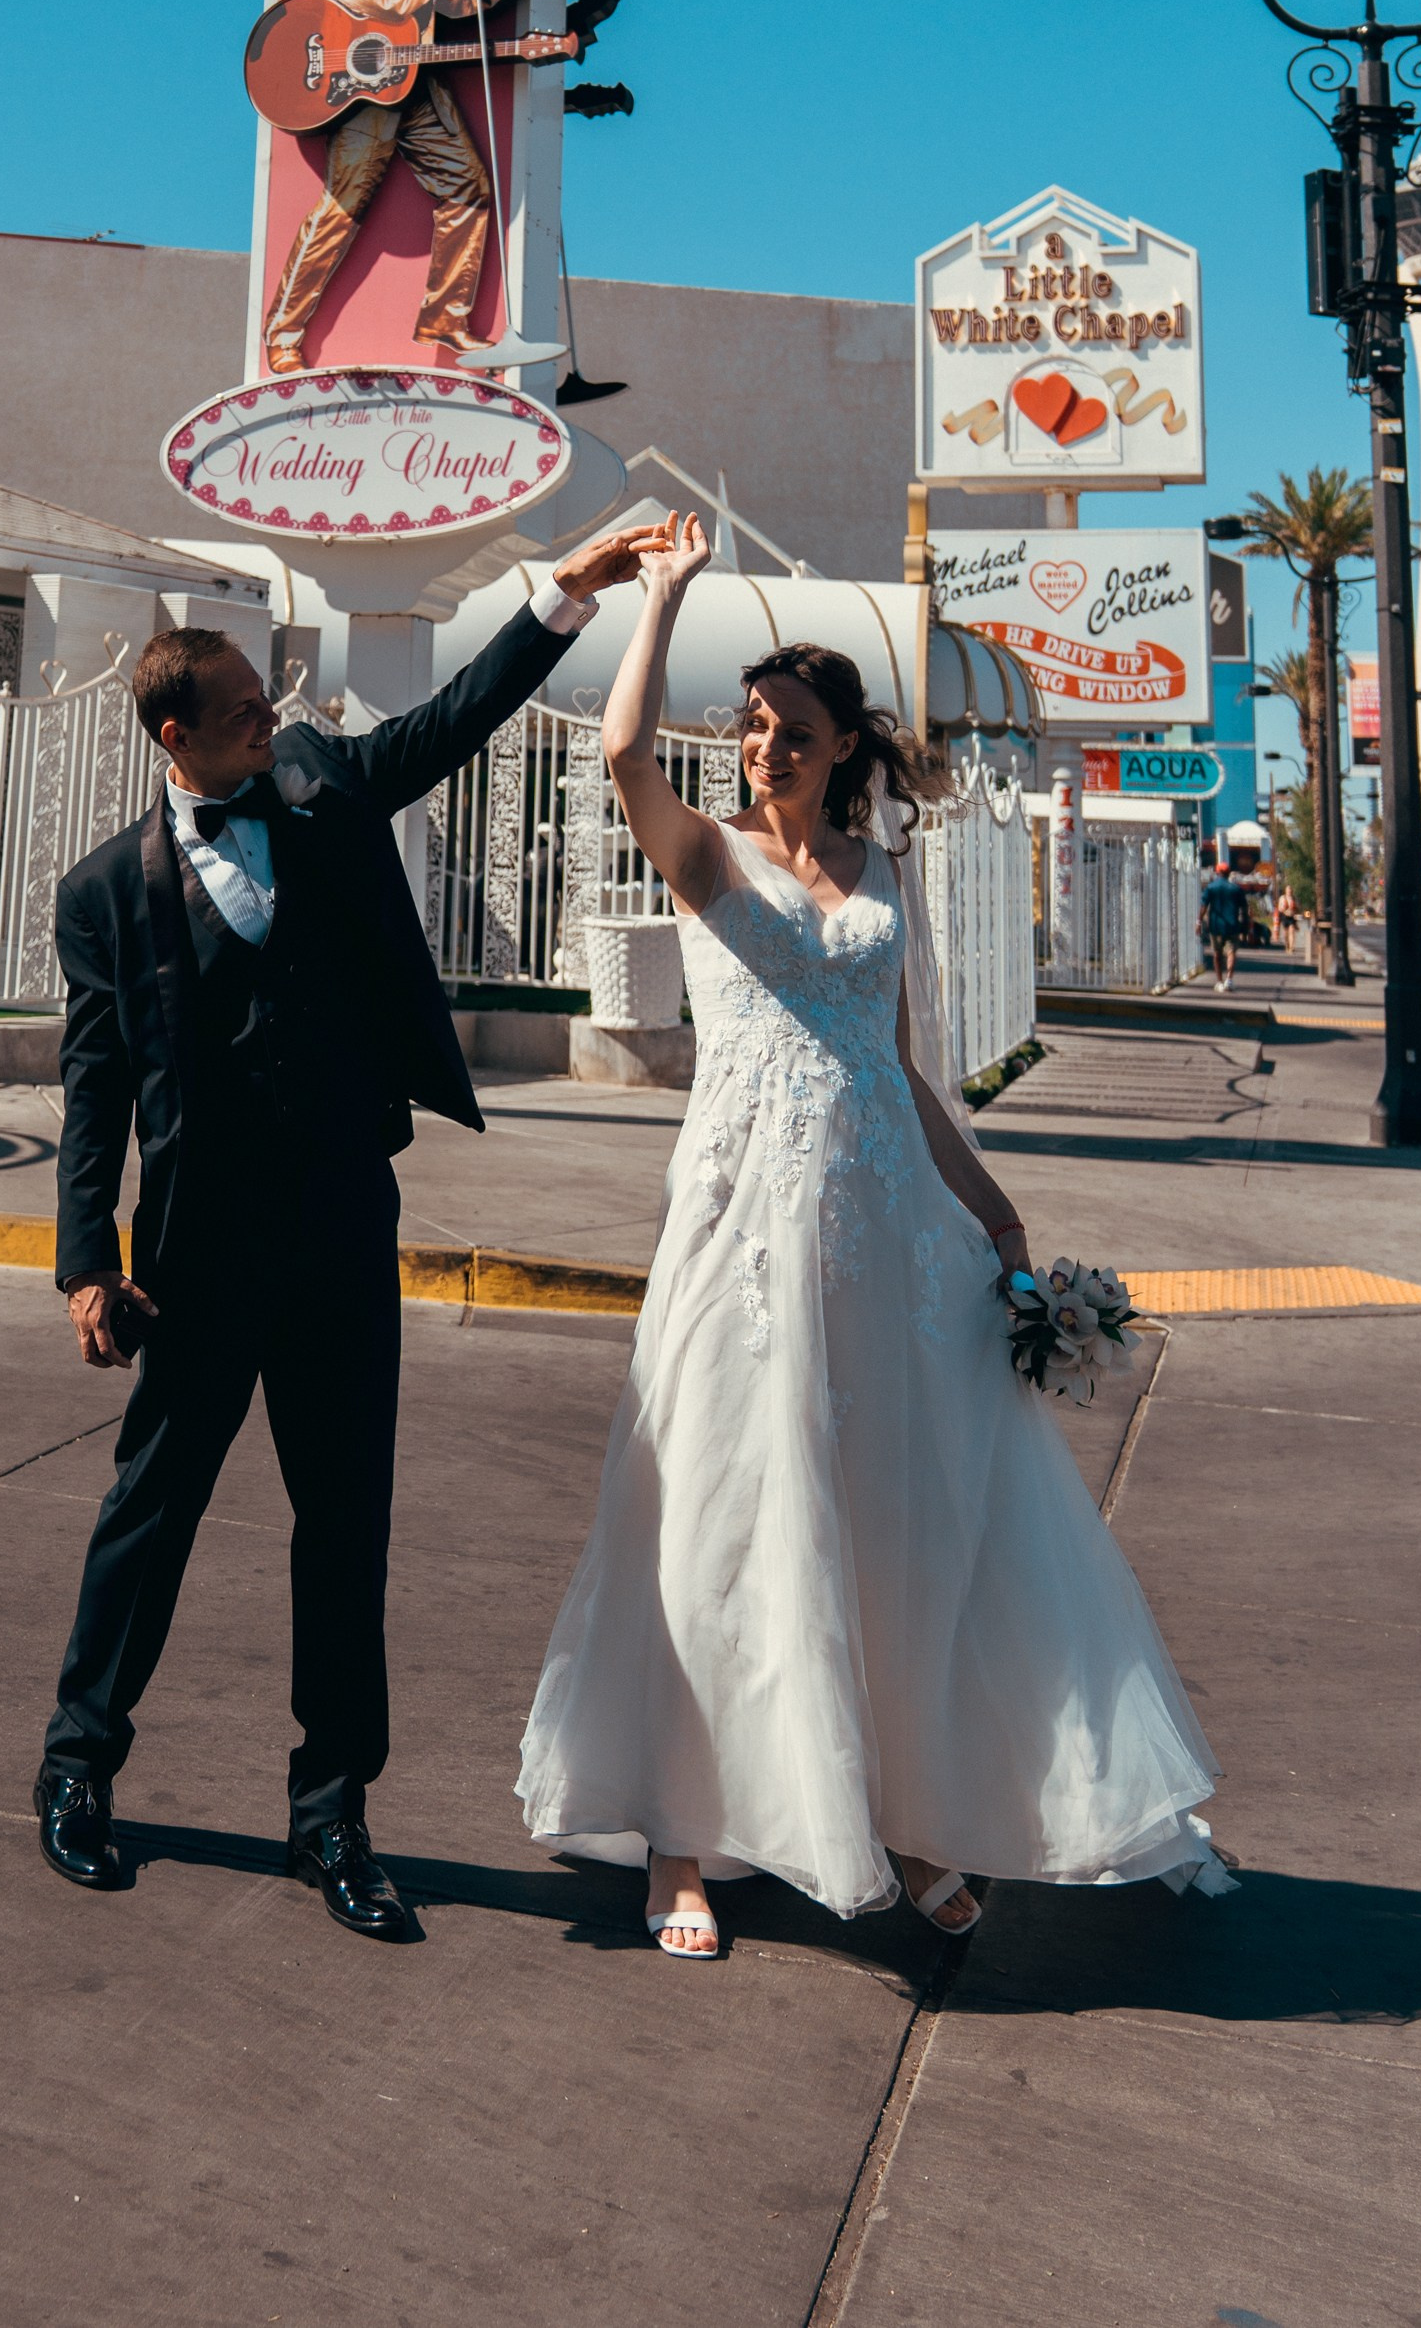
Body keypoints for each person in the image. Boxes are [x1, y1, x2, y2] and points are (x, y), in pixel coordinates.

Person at [518, 515, 1232, 1956]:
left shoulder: (884, 876)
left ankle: (903, 1822)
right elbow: (619, 758)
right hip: (744, 1238)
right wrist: (661, 602)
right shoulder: (709, 857)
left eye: (789, 728)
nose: (763, 746)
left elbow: (898, 1069)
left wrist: (996, 1209)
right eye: (752, 726)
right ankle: (681, 1841)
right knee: (717, 1523)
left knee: (895, 1535)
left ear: (847, 743)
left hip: (888, 1244)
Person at [34, 519, 672, 1938]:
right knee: (152, 1514)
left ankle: (333, 1816)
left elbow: (449, 722)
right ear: (171, 731)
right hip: (196, 1252)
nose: (278, 721)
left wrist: (564, 595)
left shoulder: (321, 785)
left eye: (274, 707)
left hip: (338, 1229)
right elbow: (94, 1092)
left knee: (346, 1532)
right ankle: (78, 1770)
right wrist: (89, 1262)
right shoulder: (101, 897)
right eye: (250, 711)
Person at [261, 0, 570, 373]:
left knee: (469, 190)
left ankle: (445, 319)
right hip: (361, 94)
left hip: (417, 85)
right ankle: (284, 333)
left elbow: (459, 3)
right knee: (340, 211)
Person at [1200, 851, 1246, 989]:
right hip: (1232, 925)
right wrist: (1245, 925)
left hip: (1215, 925)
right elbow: (1244, 908)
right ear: (1228, 872)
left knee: (1217, 954)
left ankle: (1219, 981)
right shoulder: (1236, 889)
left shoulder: (1211, 887)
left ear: (1217, 872)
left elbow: (1204, 906)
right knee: (1231, 952)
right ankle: (1229, 979)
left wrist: (1199, 922)